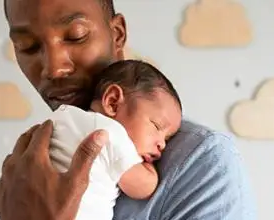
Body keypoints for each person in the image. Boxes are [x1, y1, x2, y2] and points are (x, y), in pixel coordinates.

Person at [0, 0, 257, 219]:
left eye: (76, 35)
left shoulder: (202, 162)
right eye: (27, 46)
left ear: (117, 34)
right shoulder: (31, 157)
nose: (53, 69)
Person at [48, 59, 182, 220]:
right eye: (157, 126)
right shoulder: (111, 134)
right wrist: (148, 167)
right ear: (113, 102)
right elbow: (144, 187)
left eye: (167, 138)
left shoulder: (63, 118)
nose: (162, 144)